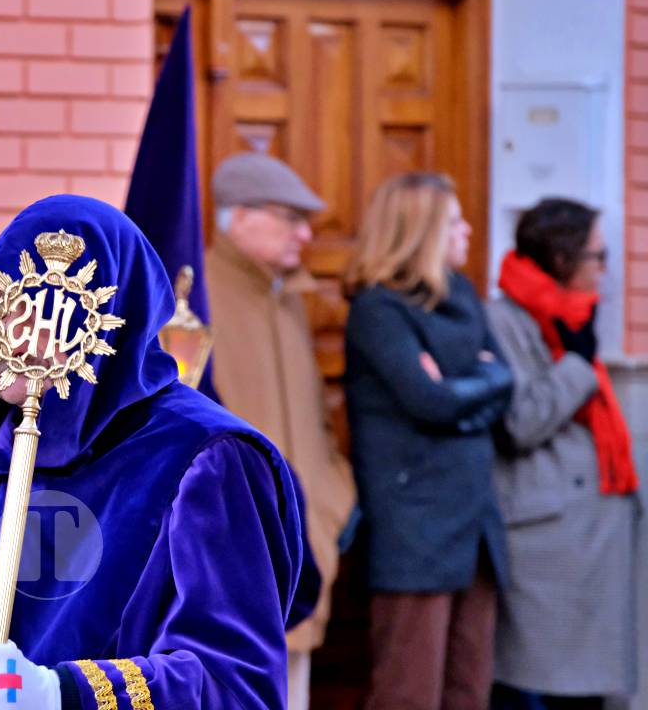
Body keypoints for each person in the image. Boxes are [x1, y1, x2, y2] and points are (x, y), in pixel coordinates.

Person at [0, 195, 306, 710]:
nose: (27, 341)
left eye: (59, 317)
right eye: (11, 308)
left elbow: (234, 682)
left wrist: (61, 694)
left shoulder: (204, 457)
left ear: (115, 325)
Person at [342, 172, 513, 710]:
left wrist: (463, 389)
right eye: (454, 220)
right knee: (408, 691)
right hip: (414, 524)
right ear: (419, 231)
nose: (467, 230)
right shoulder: (378, 310)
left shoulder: (460, 293)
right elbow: (428, 400)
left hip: (474, 519)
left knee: (470, 685)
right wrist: (468, 391)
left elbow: (505, 380)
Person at [204, 152, 356, 710]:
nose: (307, 234)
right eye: (289, 218)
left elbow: (317, 421)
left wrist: (332, 498)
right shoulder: (194, 300)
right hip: (229, 551)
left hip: (304, 548)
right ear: (237, 217)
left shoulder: (290, 301)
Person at [487, 198, 639, 709]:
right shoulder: (504, 319)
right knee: (536, 687)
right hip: (545, 539)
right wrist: (575, 361)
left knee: (581, 691)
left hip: (582, 538)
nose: (605, 268)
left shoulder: (573, 317)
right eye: (597, 255)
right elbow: (521, 420)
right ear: (562, 257)